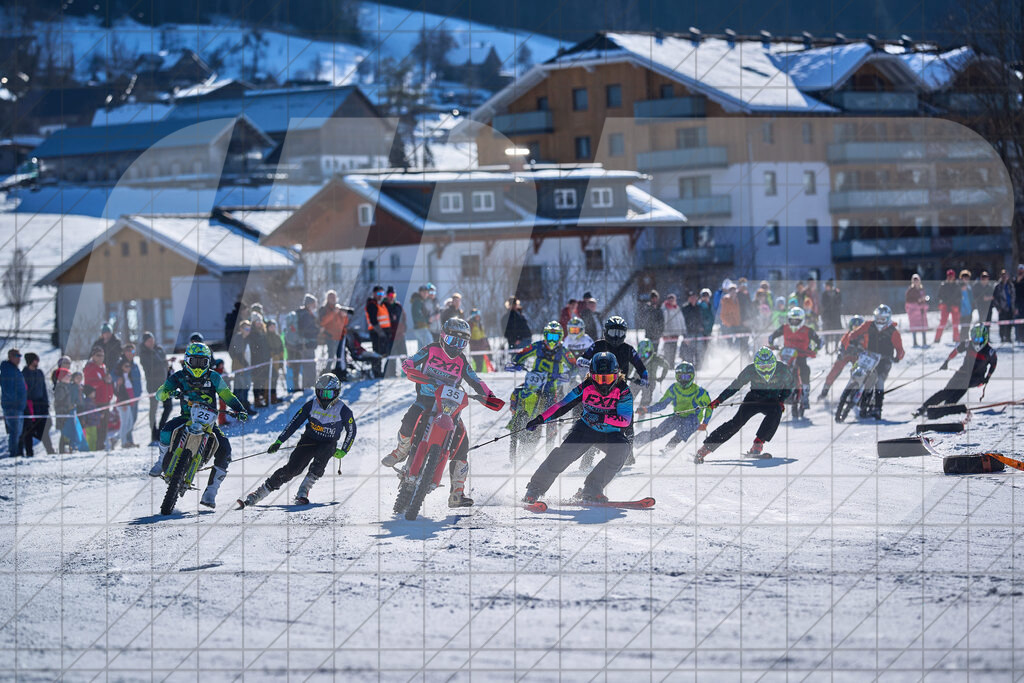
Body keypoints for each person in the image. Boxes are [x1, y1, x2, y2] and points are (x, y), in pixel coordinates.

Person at [380, 318, 500, 507]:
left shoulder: (461, 361)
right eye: (453, 341)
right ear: (443, 337)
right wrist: (409, 367)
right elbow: (410, 361)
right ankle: (402, 450)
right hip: (426, 400)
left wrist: (489, 395)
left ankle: (457, 494)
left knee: (463, 442)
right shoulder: (431, 349)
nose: (456, 346)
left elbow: (475, 380)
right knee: (409, 421)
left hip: (449, 406)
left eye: (462, 342)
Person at [522, 351, 634, 505]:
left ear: (616, 375)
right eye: (598, 378)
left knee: (622, 449)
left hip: (610, 433)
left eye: (608, 378)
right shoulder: (586, 387)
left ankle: (593, 489)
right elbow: (562, 405)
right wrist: (541, 419)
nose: (603, 383)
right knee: (562, 455)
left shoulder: (623, 391)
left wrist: (601, 418)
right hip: (585, 429)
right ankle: (535, 489)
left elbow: (625, 420)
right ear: (591, 375)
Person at [147, 342, 248, 508]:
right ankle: (160, 462)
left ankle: (211, 492)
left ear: (208, 362)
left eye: (203, 362)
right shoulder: (179, 376)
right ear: (187, 360)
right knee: (165, 430)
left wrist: (239, 409)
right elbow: (159, 394)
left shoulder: (214, 377)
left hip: (208, 423)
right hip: (186, 418)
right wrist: (167, 392)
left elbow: (226, 395)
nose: (198, 366)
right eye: (194, 361)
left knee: (226, 450)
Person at [238, 374, 356, 508]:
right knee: (292, 470)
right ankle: (259, 493)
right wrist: (279, 441)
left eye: (329, 394)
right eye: (321, 393)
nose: (324, 397)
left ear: (336, 393)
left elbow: (352, 430)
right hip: (309, 440)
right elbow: (294, 423)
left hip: (328, 443)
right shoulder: (311, 405)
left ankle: (304, 490)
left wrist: (344, 450)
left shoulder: (343, 410)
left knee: (324, 454)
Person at [692, 346, 796, 463]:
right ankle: (706, 448)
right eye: (762, 367)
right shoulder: (750, 370)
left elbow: (790, 386)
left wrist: (782, 400)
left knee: (776, 412)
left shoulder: (782, 370)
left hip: (772, 401)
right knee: (736, 423)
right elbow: (735, 386)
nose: (766, 370)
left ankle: (758, 443)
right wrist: (719, 400)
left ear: (774, 363)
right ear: (756, 365)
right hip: (754, 399)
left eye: (768, 366)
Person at [913, 323, 997, 417]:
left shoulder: (989, 352)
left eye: (979, 339)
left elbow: (993, 364)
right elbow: (956, 350)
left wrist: (987, 378)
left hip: (976, 378)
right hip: (963, 373)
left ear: (985, 338)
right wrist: (947, 361)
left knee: (959, 389)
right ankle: (924, 408)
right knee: (946, 392)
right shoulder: (968, 344)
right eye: (975, 339)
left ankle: (944, 409)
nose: (976, 341)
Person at [506, 321, 576, 431]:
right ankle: (515, 417)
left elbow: (573, 365)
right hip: (534, 380)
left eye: (555, 337)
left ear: (560, 337)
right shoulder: (537, 345)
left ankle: (551, 434)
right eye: (550, 336)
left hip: (551, 384)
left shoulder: (563, 351)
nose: (552, 340)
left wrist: (567, 374)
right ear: (545, 335)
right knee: (516, 392)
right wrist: (516, 362)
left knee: (553, 407)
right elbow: (522, 353)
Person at [635, 361, 712, 454]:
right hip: (677, 417)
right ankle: (634, 442)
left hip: (693, 420)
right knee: (658, 432)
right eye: (681, 377)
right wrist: (646, 409)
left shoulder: (699, 392)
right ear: (677, 376)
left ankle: (671, 446)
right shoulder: (674, 389)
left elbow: (709, 407)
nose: (684, 380)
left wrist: (705, 423)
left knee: (687, 425)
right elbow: (662, 404)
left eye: (687, 377)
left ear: (692, 376)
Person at [846, 305, 905, 419]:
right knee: (857, 371)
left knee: (879, 381)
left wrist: (898, 357)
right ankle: (851, 394)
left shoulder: (893, 332)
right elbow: (854, 333)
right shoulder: (869, 325)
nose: (879, 321)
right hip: (869, 356)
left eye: (882, 319)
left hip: (884, 360)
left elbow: (900, 349)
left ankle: (878, 408)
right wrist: (853, 341)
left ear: (888, 319)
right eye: (878, 318)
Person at [767, 307, 821, 411]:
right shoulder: (784, 328)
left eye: (796, 320)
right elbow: (772, 336)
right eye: (792, 319)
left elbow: (819, 341)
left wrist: (816, 349)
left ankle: (805, 396)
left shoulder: (808, 330)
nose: (794, 322)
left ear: (801, 320)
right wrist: (772, 344)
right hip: (787, 356)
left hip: (801, 355)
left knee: (805, 370)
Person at [818, 315, 866, 400]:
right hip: (846, 355)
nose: (856, 330)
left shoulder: (865, 337)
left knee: (857, 373)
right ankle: (825, 390)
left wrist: (861, 352)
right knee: (835, 370)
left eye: (858, 328)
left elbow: (867, 349)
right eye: (854, 327)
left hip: (857, 358)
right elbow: (842, 346)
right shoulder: (848, 335)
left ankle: (855, 391)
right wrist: (840, 353)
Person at [139, 332, 171, 444]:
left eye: (152, 340)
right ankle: (154, 433)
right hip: (153, 385)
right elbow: (149, 367)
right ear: (144, 342)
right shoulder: (144, 353)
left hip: (165, 384)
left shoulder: (159, 349)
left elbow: (165, 364)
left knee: (168, 406)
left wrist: (168, 367)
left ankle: (161, 429)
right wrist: (163, 363)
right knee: (154, 409)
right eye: (148, 341)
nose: (151, 342)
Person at [82, 346, 113, 451]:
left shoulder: (103, 367)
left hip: (105, 400)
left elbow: (107, 382)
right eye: (98, 355)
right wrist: (104, 380)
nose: (101, 357)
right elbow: (89, 385)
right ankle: (96, 447)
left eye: (102, 355)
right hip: (96, 401)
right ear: (93, 356)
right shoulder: (90, 368)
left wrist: (110, 390)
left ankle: (100, 445)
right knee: (98, 426)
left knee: (104, 425)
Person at [1, 349, 27, 457]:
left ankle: (15, 452)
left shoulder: (14, 369)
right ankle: (13, 454)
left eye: (20, 355)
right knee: (15, 431)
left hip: (19, 407)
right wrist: (16, 402)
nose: (19, 358)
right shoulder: (8, 370)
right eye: (17, 355)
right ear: (10, 356)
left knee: (18, 432)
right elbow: (7, 390)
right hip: (12, 406)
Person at [319, 290, 350, 379]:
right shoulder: (324, 309)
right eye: (330, 297)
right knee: (331, 356)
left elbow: (345, 323)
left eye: (334, 297)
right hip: (330, 336)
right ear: (327, 299)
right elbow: (323, 322)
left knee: (341, 356)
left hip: (340, 336)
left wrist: (344, 316)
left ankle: (339, 373)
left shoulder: (339, 308)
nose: (333, 299)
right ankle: (327, 374)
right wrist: (334, 313)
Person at [635, 339, 670, 411]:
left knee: (645, 402)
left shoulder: (656, 359)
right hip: (636, 380)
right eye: (641, 354)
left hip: (650, 382)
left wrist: (662, 377)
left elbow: (666, 366)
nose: (643, 357)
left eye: (646, 354)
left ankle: (641, 418)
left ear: (651, 351)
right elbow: (629, 367)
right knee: (628, 397)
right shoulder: (636, 357)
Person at [228, 319, 254, 413]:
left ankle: (242, 407)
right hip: (240, 366)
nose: (248, 331)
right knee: (242, 387)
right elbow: (238, 354)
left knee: (244, 387)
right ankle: (243, 409)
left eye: (249, 329)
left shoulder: (246, 338)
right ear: (241, 329)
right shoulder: (238, 338)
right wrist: (245, 364)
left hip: (246, 366)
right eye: (246, 329)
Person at [53, 368, 80, 453]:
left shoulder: (68, 386)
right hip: (62, 413)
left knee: (68, 432)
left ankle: (69, 448)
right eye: (67, 375)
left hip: (68, 412)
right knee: (64, 433)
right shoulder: (60, 387)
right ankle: (63, 450)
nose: (70, 377)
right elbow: (59, 399)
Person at [112, 358, 137, 448]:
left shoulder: (129, 376)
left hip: (129, 403)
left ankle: (115, 438)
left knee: (130, 424)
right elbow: (117, 392)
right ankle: (123, 442)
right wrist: (123, 403)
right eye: (126, 366)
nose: (128, 368)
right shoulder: (120, 378)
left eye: (129, 366)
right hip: (123, 403)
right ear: (122, 367)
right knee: (125, 423)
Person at [297, 293, 320, 389]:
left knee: (307, 364)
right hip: (307, 343)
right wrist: (318, 329)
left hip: (304, 343)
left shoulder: (302, 313)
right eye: (314, 303)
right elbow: (308, 329)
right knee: (309, 364)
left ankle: (308, 384)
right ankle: (309, 385)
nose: (315, 306)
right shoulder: (306, 315)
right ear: (309, 304)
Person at [248, 314, 271, 408]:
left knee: (263, 381)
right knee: (257, 382)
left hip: (265, 360)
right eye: (257, 321)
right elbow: (253, 348)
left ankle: (262, 398)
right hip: (256, 362)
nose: (259, 323)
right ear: (253, 323)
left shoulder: (263, 332)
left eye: (260, 321)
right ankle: (257, 400)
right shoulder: (252, 333)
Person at [365, 285, 392, 361]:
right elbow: (373, 320)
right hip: (377, 333)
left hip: (384, 332)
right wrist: (381, 333)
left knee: (385, 354)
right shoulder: (372, 304)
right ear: (374, 294)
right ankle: (377, 372)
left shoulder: (382, 304)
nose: (381, 296)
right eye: (378, 294)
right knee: (378, 354)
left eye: (382, 294)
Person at [934, 269, 961, 343]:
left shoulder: (957, 285)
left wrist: (956, 304)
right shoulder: (943, 285)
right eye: (949, 276)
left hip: (954, 306)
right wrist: (942, 303)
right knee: (943, 322)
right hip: (945, 306)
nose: (950, 277)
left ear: (954, 276)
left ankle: (956, 338)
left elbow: (960, 297)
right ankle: (937, 339)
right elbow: (939, 296)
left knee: (955, 323)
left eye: (951, 276)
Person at [384, 286, 406, 377]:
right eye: (390, 295)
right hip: (390, 335)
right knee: (392, 356)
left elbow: (404, 318)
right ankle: (391, 373)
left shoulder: (398, 306)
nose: (391, 297)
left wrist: (404, 328)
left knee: (403, 354)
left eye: (393, 295)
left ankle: (406, 372)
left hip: (400, 334)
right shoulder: (384, 306)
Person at [905, 274, 930, 348]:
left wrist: (923, 300)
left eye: (917, 280)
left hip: (921, 310)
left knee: (923, 325)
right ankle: (915, 342)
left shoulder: (922, 289)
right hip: (913, 310)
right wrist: (917, 300)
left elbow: (924, 298)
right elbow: (908, 300)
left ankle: (924, 341)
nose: (916, 282)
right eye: (914, 280)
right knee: (914, 326)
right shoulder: (910, 290)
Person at [681, 291, 704, 367]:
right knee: (689, 352)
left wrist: (701, 327)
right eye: (692, 297)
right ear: (689, 299)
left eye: (695, 297)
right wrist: (684, 335)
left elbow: (701, 319)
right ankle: (690, 367)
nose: (693, 299)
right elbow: (682, 322)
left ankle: (699, 367)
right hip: (689, 333)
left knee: (699, 351)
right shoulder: (685, 308)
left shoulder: (699, 307)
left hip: (698, 333)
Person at [661, 293, 685, 366]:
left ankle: (671, 364)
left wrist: (683, 330)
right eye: (670, 300)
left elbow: (681, 320)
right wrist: (664, 333)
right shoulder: (664, 308)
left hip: (675, 333)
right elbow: (664, 321)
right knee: (667, 350)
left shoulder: (677, 309)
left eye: (673, 300)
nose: (672, 301)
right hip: (667, 333)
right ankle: (666, 364)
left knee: (674, 349)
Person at [820, 280, 843, 352]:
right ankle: (826, 348)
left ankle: (836, 347)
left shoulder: (837, 293)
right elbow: (823, 304)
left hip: (836, 315)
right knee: (826, 331)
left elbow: (839, 303)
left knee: (837, 331)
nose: (826, 288)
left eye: (827, 286)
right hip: (827, 315)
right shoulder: (824, 294)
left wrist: (837, 295)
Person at [993, 270, 1015, 343]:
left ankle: (1008, 337)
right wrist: (998, 308)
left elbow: (1013, 296)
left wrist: (1013, 307)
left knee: (1010, 324)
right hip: (1002, 309)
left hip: (1010, 308)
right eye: (1003, 275)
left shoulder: (1011, 285)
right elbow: (995, 298)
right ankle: (1002, 337)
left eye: (1006, 275)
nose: (1004, 277)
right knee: (1002, 324)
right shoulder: (998, 286)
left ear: (1008, 277)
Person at [409, 285, 433, 352]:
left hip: (421, 328)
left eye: (427, 292)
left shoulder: (421, 301)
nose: (425, 294)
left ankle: (420, 362)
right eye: (423, 292)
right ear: (420, 292)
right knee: (430, 346)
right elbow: (417, 316)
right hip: (421, 328)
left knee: (421, 350)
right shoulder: (417, 301)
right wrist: (428, 319)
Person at [265, 320, 285, 401]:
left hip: (277, 360)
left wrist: (281, 361)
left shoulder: (277, 337)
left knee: (275, 378)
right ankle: (267, 397)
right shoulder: (265, 337)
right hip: (270, 361)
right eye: (271, 327)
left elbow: (281, 348)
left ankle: (273, 397)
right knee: (268, 380)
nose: (273, 328)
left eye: (274, 327)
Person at [958, 270, 974, 341]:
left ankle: (966, 340)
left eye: (967, 278)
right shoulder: (958, 287)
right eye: (964, 277)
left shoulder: (969, 287)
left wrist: (973, 307)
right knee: (963, 327)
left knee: (967, 327)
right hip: (962, 311)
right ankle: (962, 341)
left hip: (969, 310)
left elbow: (971, 299)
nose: (965, 279)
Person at [1015, 264, 1024, 343]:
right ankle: (1018, 338)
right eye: (1020, 270)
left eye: (1022, 270)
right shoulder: (1015, 279)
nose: (1021, 271)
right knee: (1018, 322)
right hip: (1018, 304)